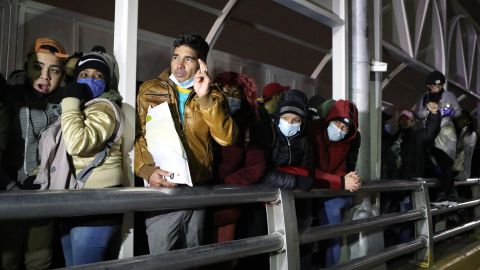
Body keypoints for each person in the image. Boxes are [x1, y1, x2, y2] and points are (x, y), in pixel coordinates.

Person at [134, 33, 235, 254]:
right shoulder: (150, 90)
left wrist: (205, 97)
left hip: (196, 188)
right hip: (162, 188)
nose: (178, 65)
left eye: (187, 59)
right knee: (161, 258)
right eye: (175, 57)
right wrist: (146, 169)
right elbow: (139, 135)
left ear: (201, 64)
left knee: (193, 256)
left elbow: (225, 138)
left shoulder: (214, 95)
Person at [1, 37, 68, 270]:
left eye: (54, 70)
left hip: (44, 197)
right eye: (38, 67)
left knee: (40, 260)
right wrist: (9, 186)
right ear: (26, 65)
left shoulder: (66, 105)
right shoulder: (8, 98)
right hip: (8, 194)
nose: (45, 76)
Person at [59, 50, 124, 266]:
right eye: (84, 74)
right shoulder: (83, 107)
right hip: (75, 197)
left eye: (98, 76)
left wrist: (69, 99)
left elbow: (77, 143)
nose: (90, 79)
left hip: (98, 202)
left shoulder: (105, 108)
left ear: (106, 83)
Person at [261, 89, 314, 269]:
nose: (290, 123)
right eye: (286, 118)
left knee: (300, 243)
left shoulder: (304, 140)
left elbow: (308, 171)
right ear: (278, 117)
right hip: (265, 205)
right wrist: (295, 179)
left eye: (296, 120)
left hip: (295, 204)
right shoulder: (269, 134)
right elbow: (263, 172)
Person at [211, 72, 266, 245]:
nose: (230, 98)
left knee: (224, 255)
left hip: (229, 203)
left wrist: (230, 184)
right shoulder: (204, 119)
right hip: (200, 199)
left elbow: (257, 165)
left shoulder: (248, 129)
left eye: (235, 94)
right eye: (225, 92)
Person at [310, 99, 362, 267]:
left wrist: (349, 179)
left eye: (344, 128)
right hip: (307, 189)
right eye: (337, 123)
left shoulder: (347, 143)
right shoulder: (313, 132)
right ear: (330, 118)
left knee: (333, 228)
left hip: (326, 190)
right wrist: (340, 181)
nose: (339, 130)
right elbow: (309, 170)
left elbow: (342, 167)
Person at [414, 70, 460, 206]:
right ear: (429, 86)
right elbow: (417, 114)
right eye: (435, 86)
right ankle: (448, 195)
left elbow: (458, 111)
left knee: (446, 160)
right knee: (436, 162)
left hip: (446, 132)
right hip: (430, 133)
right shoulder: (424, 98)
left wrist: (449, 111)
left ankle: (446, 194)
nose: (438, 88)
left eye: (440, 86)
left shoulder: (449, 95)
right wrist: (428, 111)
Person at [453, 111, 477, 181]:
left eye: (462, 118)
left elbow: (468, 152)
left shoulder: (471, 134)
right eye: (459, 119)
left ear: (468, 121)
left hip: (465, 169)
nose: (459, 121)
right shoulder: (461, 132)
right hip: (460, 167)